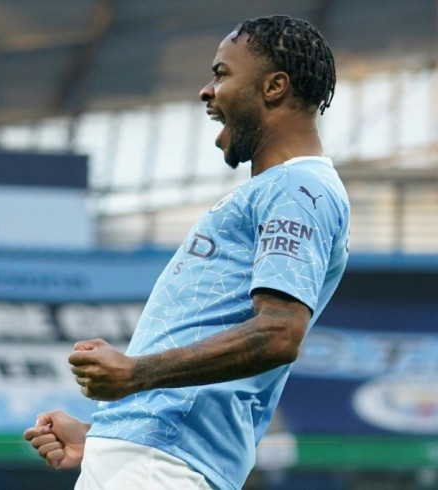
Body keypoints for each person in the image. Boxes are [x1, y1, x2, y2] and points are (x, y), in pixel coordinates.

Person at [24, 15, 349, 490]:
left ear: (274, 86)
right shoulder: (276, 190)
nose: (207, 91)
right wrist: (104, 433)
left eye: (222, 74)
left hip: (163, 468)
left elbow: (280, 332)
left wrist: (133, 374)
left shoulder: (298, 187)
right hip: (148, 456)